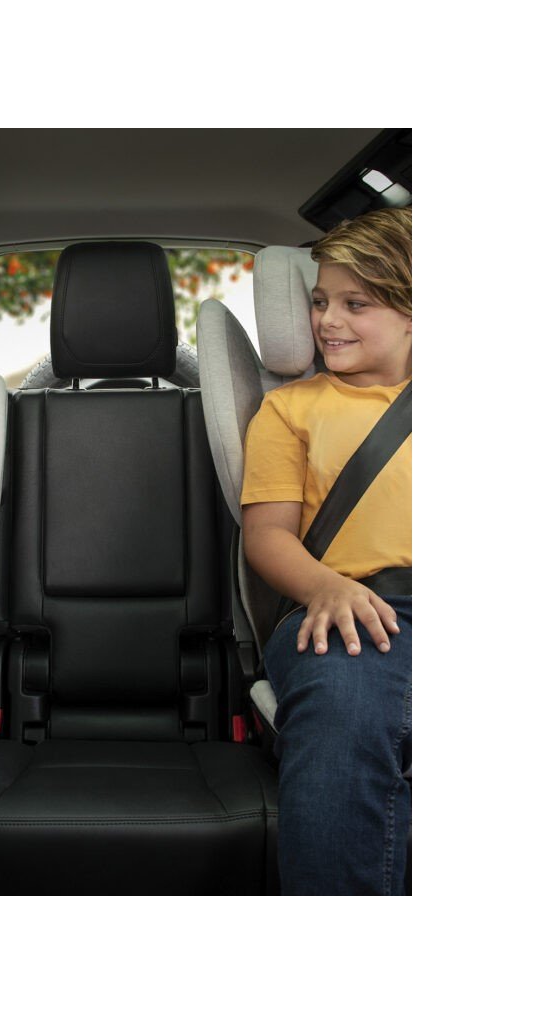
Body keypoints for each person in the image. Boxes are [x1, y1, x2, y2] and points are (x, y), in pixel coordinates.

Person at [240, 207, 412, 895]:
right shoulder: (292, 409)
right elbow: (267, 536)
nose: (327, 321)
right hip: (343, 609)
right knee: (348, 700)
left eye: (354, 304)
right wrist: (326, 588)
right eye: (319, 302)